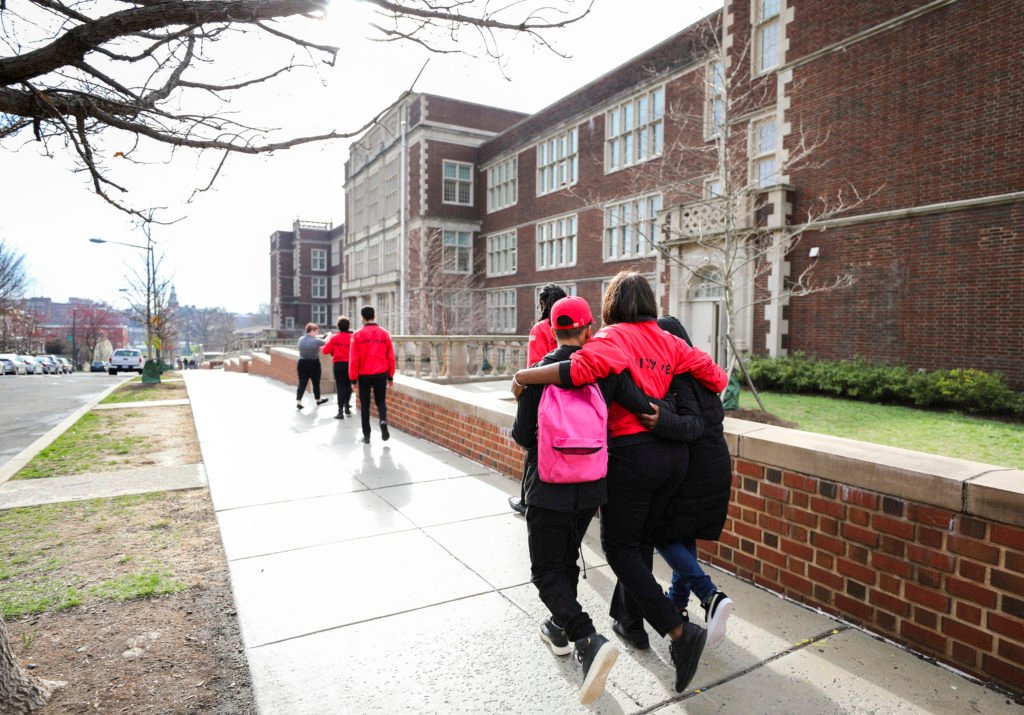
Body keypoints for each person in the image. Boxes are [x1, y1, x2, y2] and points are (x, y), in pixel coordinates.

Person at [512, 271, 729, 694]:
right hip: (672, 458)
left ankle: (679, 631)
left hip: (632, 456)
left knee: (619, 547)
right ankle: (632, 623)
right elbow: (717, 379)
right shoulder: (670, 341)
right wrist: (662, 405)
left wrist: (523, 378)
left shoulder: (612, 339)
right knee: (640, 543)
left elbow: (576, 370)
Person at [512, 296, 656, 705]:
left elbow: (524, 436)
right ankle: (560, 631)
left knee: (545, 571)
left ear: (553, 330)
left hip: (548, 486)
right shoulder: (604, 371)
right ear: (589, 329)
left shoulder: (537, 375)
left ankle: (586, 638)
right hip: (591, 485)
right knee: (566, 560)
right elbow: (642, 407)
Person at [647, 316, 734, 647]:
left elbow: (690, 425)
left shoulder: (678, 376)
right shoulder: (702, 371)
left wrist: (658, 419)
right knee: (683, 533)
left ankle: (710, 595)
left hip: (693, 469)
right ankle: (677, 603)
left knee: (660, 532)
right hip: (715, 463)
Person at [509, 283, 568, 515]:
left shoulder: (541, 328)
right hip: (570, 395)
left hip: (544, 395)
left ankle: (526, 500)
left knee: (535, 449)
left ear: (544, 304)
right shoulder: (573, 328)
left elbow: (534, 366)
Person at [349, 306, 395, 444]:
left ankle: (367, 435)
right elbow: (391, 357)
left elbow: (354, 359)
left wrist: (353, 380)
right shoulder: (384, 333)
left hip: (364, 374)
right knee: (381, 401)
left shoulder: (357, 335)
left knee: (365, 405)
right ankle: (382, 420)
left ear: (362, 317)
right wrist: (391, 376)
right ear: (374, 315)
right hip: (381, 373)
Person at [322, 316, 354, 419]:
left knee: (340, 387)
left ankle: (340, 411)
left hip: (338, 365)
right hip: (350, 364)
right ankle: (347, 407)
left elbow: (325, 351)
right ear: (349, 326)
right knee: (348, 386)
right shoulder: (353, 337)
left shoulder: (335, 338)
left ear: (338, 326)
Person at [296, 322, 330, 410]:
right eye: (316, 331)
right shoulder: (316, 341)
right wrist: (329, 335)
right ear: (312, 330)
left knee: (302, 383)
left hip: (301, 362)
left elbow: (312, 341)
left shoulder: (301, 339)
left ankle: (299, 401)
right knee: (315, 383)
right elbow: (325, 342)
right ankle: (318, 400)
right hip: (313, 363)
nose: (317, 334)